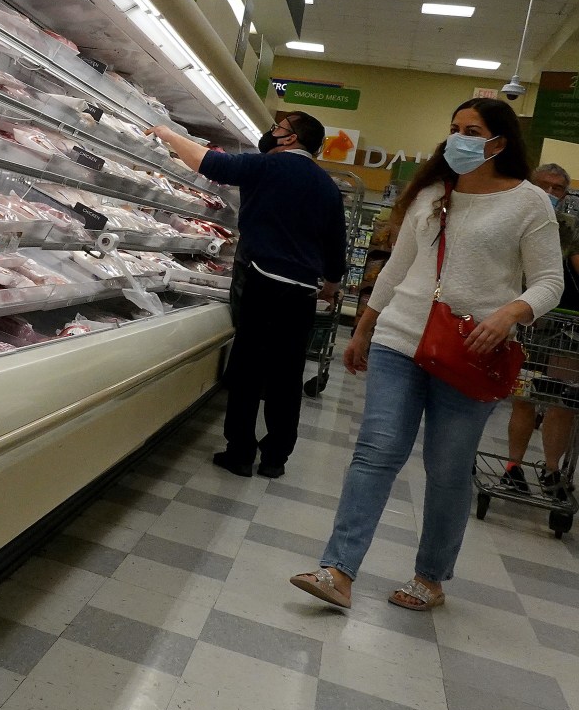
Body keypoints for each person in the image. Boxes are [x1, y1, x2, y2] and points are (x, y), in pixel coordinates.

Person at [290, 98, 562, 612]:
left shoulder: (529, 204)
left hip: (471, 349)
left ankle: (430, 577)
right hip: (401, 338)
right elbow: (396, 268)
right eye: (454, 128)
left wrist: (508, 314)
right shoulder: (434, 193)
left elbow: (550, 281)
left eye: (472, 130)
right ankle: (337, 570)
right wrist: (364, 327)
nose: (459, 138)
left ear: (499, 142)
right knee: (376, 451)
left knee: (448, 467)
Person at [151, 111, 347, 479]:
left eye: (278, 129)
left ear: (290, 139)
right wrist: (331, 285)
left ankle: (240, 452)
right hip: (303, 291)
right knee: (287, 374)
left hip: (263, 279)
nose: (271, 133)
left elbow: (207, 163)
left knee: (248, 368)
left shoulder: (267, 167)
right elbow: (337, 245)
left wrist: (167, 134)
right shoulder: (327, 186)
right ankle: (275, 457)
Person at [503, 163, 577, 494]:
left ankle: (550, 470)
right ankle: (513, 466)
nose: (550, 193)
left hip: (566, 327)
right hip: (527, 321)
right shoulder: (514, 217)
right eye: (543, 185)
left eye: (557, 188)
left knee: (562, 401)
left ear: (566, 193)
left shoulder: (572, 230)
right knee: (524, 396)